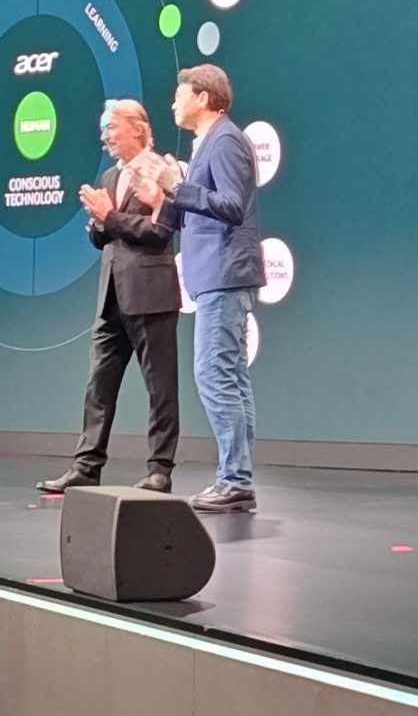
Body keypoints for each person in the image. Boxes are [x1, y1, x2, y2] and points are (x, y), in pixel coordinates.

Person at [40, 100, 181, 497]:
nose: (104, 135)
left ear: (136, 128)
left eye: (111, 126)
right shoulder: (109, 175)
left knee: (161, 389)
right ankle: (85, 467)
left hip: (150, 294)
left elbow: (161, 231)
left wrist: (111, 217)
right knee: (98, 387)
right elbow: (103, 237)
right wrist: (98, 222)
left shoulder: (161, 171)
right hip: (111, 297)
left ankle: (160, 470)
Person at [153, 63, 263, 514]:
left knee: (216, 375)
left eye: (179, 95)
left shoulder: (225, 140)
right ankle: (237, 478)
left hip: (224, 275)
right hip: (217, 276)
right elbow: (197, 209)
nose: (172, 103)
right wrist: (166, 193)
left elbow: (232, 205)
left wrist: (178, 187)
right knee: (230, 377)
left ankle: (234, 479)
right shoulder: (208, 144)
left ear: (202, 97)